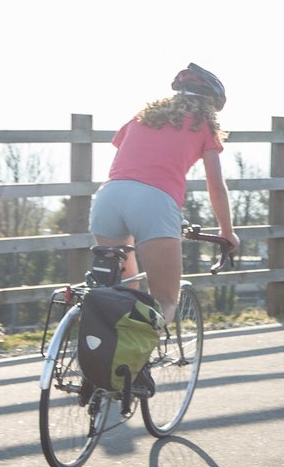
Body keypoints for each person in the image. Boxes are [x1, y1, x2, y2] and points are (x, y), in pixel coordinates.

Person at [86, 64, 238, 322]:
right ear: (210, 105)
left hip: (108, 197)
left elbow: (125, 154)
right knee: (165, 301)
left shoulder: (140, 118)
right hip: (154, 202)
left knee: (122, 295)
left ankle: (109, 356)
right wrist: (227, 231)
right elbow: (216, 186)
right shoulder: (203, 125)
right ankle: (133, 358)